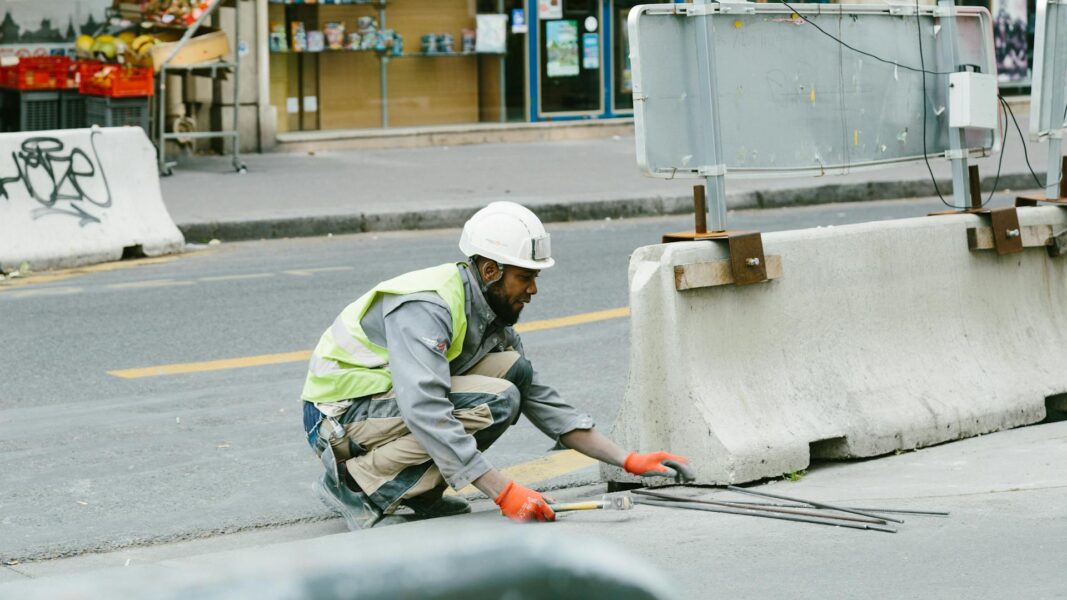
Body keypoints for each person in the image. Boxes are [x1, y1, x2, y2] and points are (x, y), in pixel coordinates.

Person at [300, 201, 690, 529]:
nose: (533, 290)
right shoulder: (428, 306)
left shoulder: (489, 312)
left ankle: (417, 493)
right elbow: (425, 408)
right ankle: (357, 486)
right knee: (497, 400)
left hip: (380, 409)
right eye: (525, 277)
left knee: (514, 372)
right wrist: (502, 491)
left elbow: (540, 398)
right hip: (338, 419)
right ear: (490, 271)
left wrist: (627, 459)